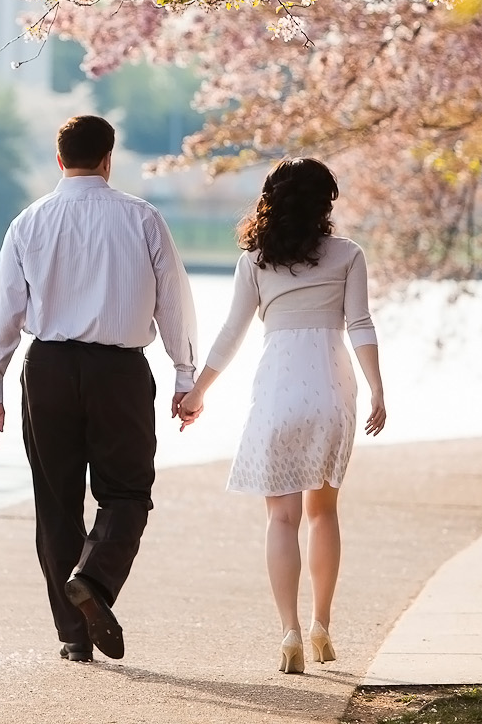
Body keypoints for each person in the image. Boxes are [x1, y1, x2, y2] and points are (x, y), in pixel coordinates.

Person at [0, 114, 198, 663]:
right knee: (126, 494)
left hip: (47, 368)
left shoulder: (28, 223)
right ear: (108, 158)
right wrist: (184, 373)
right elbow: (174, 299)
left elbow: (4, 307)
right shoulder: (143, 219)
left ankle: (74, 636)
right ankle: (94, 582)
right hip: (119, 371)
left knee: (56, 504)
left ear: (59, 160)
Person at [177, 157, 386, 674]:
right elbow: (359, 323)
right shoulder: (349, 255)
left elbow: (232, 332)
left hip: (277, 388)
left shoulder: (255, 260)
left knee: (282, 518)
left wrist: (198, 391)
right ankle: (322, 626)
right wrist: (379, 388)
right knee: (323, 514)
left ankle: (289, 632)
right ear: (325, 204)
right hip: (332, 387)